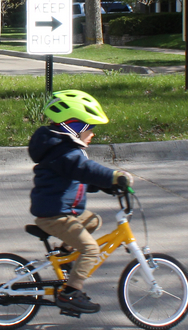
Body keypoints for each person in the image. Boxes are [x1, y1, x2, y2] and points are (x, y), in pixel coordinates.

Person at [28, 89, 133, 314]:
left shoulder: (65, 151)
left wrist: (108, 186)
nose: (93, 133)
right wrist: (112, 176)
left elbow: (80, 179)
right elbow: (84, 169)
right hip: (55, 216)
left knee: (93, 220)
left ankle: (65, 256)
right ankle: (70, 293)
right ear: (72, 127)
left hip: (62, 212)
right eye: (89, 128)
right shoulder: (65, 154)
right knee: (90, 250)